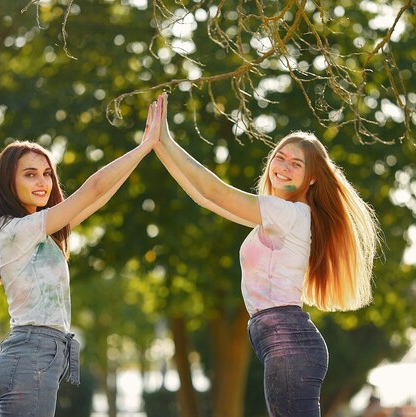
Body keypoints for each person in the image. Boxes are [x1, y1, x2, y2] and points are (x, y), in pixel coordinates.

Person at [147, 93, 381, 416]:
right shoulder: (281, 215)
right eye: (280, 157)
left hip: (289, 344)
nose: (283, 167)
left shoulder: (287, 213)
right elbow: (206, 199)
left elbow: (214, 189)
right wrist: (157, 146)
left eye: (296, 163)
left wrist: (168, 140)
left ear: (311, 178)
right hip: (286, 344)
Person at [0, 99, 163, 417]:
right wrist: (143, 147)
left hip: (34, 357)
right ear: (8, 181)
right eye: (30, 175)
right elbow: (93, 188)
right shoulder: (17, 230)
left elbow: (98, 197)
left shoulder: (37, 232)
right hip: (30, 357)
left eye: (47, 174)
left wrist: (143, 153)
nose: (43, 182)